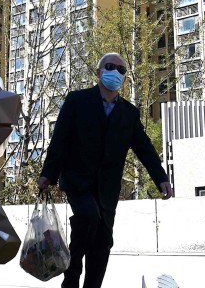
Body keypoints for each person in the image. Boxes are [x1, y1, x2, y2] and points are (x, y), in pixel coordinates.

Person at [37, 52, 173, 288]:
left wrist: (161, 178)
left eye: (121, 70)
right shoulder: (77, 101)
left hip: (107, 190)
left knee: (103, 242)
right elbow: (59, 139)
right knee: (88, 215)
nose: (115, 72)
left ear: (124, 79)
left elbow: (145, 149)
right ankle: (71, 274)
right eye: (110, 66)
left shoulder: (129, 114)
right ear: (99, 72)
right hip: (78, 181)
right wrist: (48, 174)